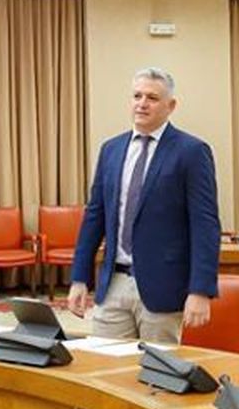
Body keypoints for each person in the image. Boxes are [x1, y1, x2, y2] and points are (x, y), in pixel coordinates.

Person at [67, 67, 220, 343]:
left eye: (152, 97)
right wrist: (79, 278)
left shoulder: (192, 151)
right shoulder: (111, 149)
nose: (142, 103)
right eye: (137, 95)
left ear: (170, 105)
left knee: (158, 376)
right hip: (112, 285)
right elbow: (95, 216)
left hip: (163, 289)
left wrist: (201, 290)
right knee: (105, 369)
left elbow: (205, 224)